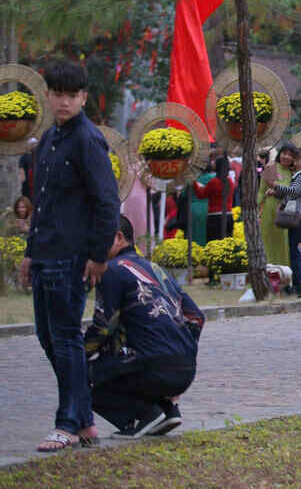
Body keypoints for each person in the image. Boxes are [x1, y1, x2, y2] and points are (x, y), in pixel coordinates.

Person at [20, 60, 120, 452]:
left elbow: (107, 201)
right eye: (57, 94)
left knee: (65, 340)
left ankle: (69, 422)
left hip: (73, 257)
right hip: (45, 253)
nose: (63, 102)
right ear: (47, 95)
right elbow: (41, 203)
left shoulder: (87, 139)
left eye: (71, 95)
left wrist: (98, 256)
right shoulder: (49, 140)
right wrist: (29, 253)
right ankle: (83, 422)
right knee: (50, 338)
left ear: (83, 98)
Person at [83, 217, 202, 438]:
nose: (91, 246)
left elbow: (103, 327)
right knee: (130, 354)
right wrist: (182, 350)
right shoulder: (157, 269)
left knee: (80, 373)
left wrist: (79, 353)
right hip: (186, 370)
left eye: (96, 239)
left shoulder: (110, 270)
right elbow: (196, 317)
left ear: (118, 237)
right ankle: (168, 411)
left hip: (151, 368)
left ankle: (145, 414)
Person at [270, 143, 301, 297]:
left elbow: (294, 191)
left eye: (296, 160)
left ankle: (299, 287)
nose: (293, 163)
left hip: (300, 219)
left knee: (298, 254)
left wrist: (276, 186)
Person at [192, 154, 235, 243]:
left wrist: (194, 183)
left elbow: (201, 195)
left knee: (214, 243)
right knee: (226, 243)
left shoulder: (214, 182)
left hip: (215, 217)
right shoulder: (230, 181)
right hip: (228, 215)